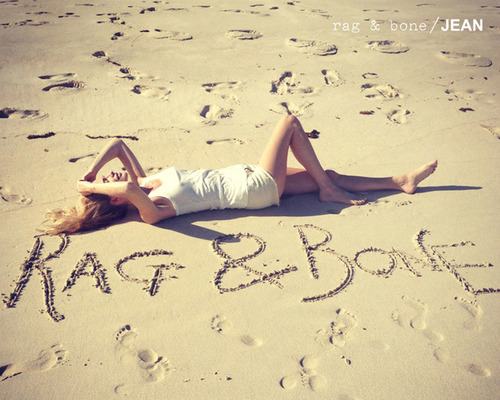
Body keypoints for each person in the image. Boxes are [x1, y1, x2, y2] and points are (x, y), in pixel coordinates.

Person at [43, 115, 438, 235]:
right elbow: (129, 187)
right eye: (107, 184)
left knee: (325, 172)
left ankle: (397, 182)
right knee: (290, 123)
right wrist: (90, 186)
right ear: (116, 197)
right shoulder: (150, 209)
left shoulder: (145, 184)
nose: (111, 177)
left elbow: (117, 144)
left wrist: (92, 172)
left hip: (251, 177)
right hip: (256, 189)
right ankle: (329, 191)